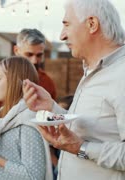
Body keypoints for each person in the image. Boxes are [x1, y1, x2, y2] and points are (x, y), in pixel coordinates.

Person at [23, 0, 125, 180]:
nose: (62, 36)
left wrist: (81, 147)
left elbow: (81, 144)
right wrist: (51, 108)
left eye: (66, 24)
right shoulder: (93, 70)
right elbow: (89, 130)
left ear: (92, 24)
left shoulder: (121, 74)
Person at [0, 28, 56, 121]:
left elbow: (51, 115)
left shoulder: (47, 81)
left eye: (39, 55)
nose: (34, 60)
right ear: (16, 50)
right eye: (29, 54)